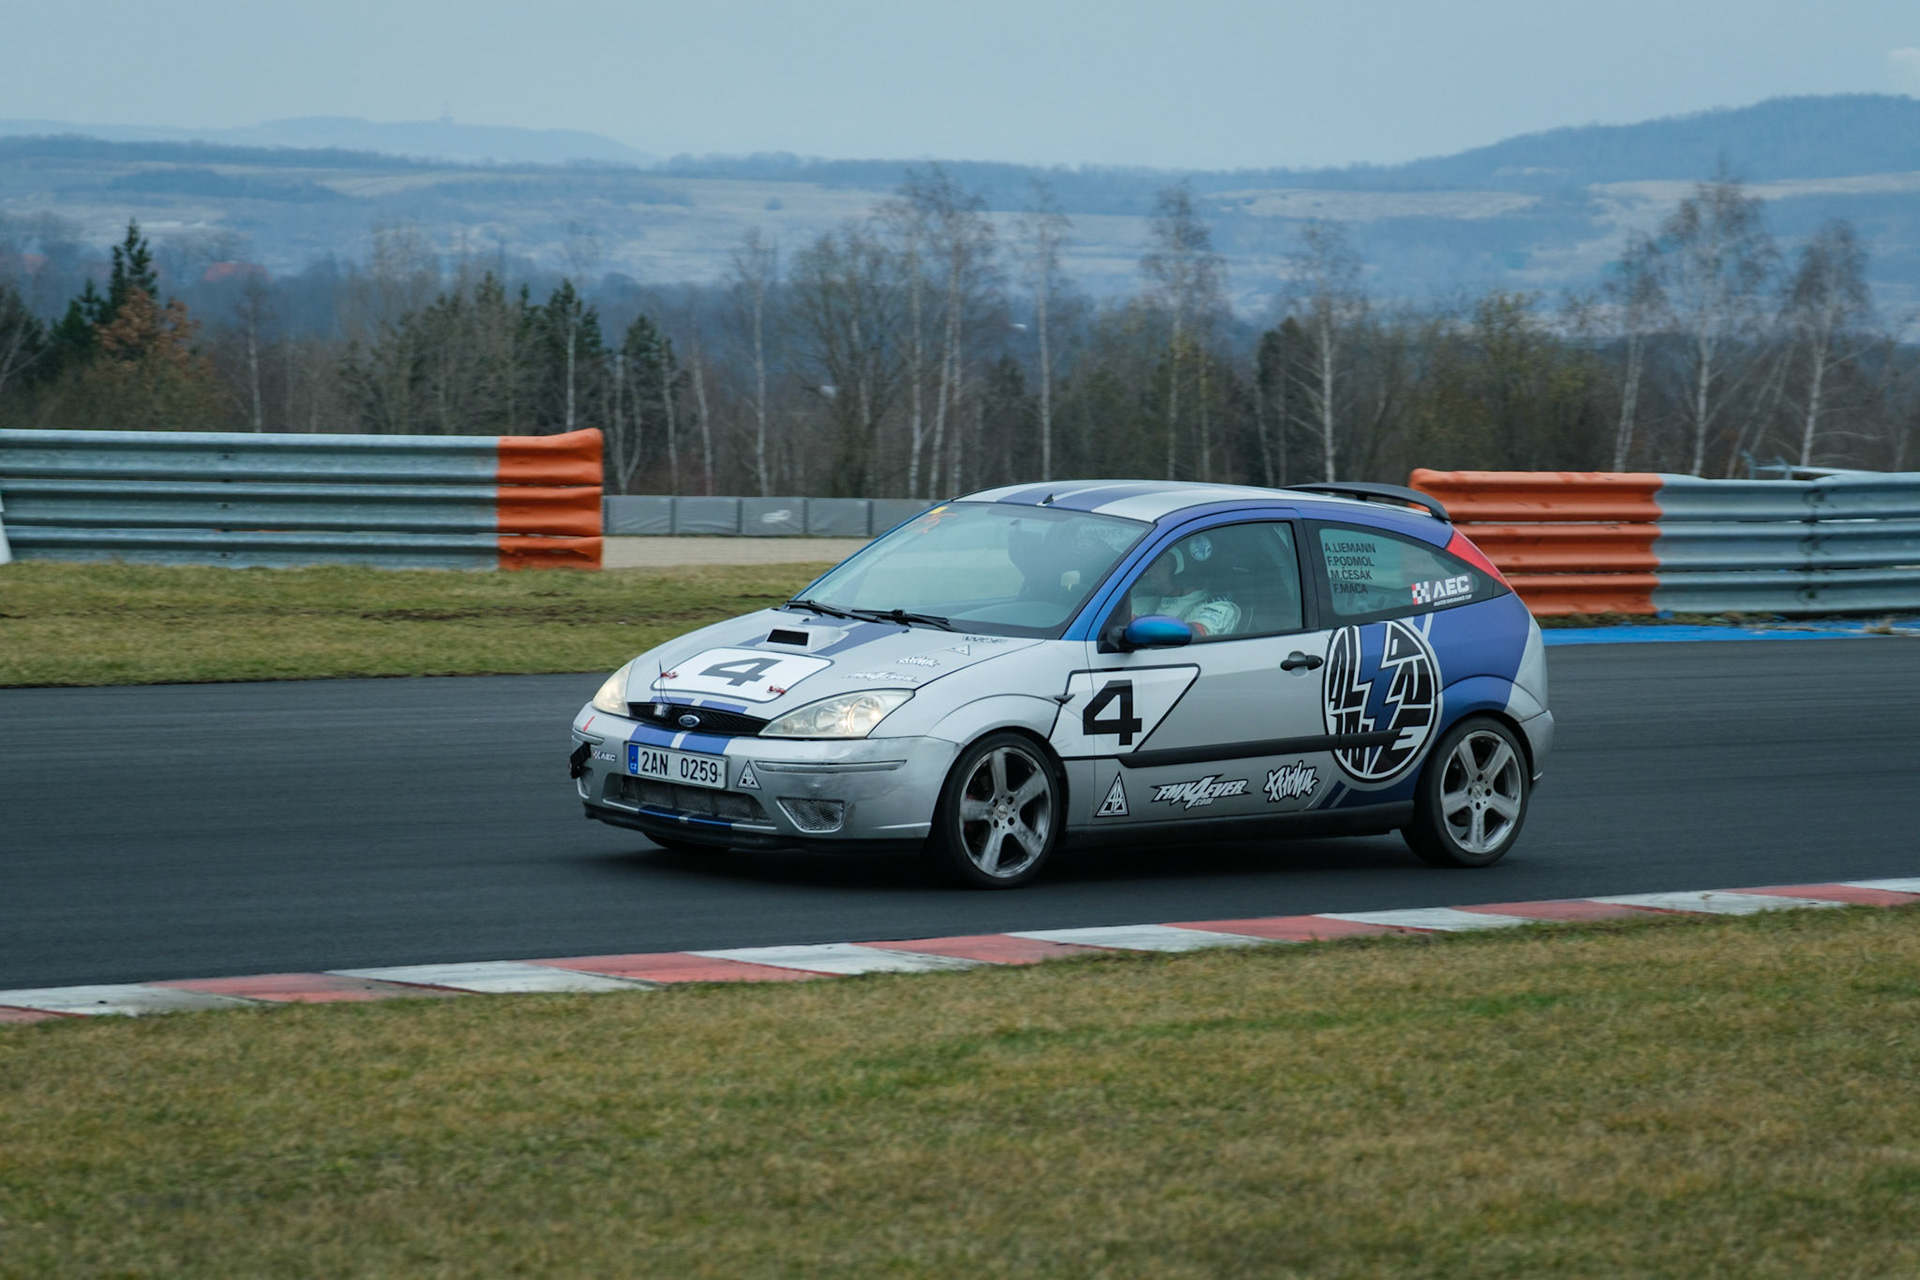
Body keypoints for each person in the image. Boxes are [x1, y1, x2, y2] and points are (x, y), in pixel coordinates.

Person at [1129, 536, 1242, 637]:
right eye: (1153, 564)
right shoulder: (1147, 602)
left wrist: (1140, 628)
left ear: (1184, 574)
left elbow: (1194, 635)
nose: (1151, 571)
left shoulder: (1219, 608)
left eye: (1161, 564)